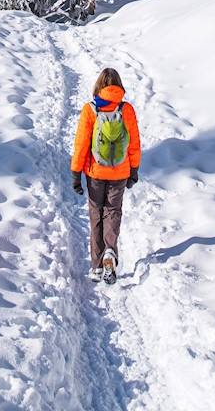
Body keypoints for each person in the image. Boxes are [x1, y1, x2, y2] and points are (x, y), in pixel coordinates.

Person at [69, 66, 141, 283]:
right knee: (113, 212)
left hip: (95, 173)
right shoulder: (126, 109)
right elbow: (134, 143)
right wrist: (133, 170)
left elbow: (81, 144)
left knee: (96, 215)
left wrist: (76, 173)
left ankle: (96, 267)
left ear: (99, 85)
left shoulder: (90, 110)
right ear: (118, 85)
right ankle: (110, 252)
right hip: (119, 172)